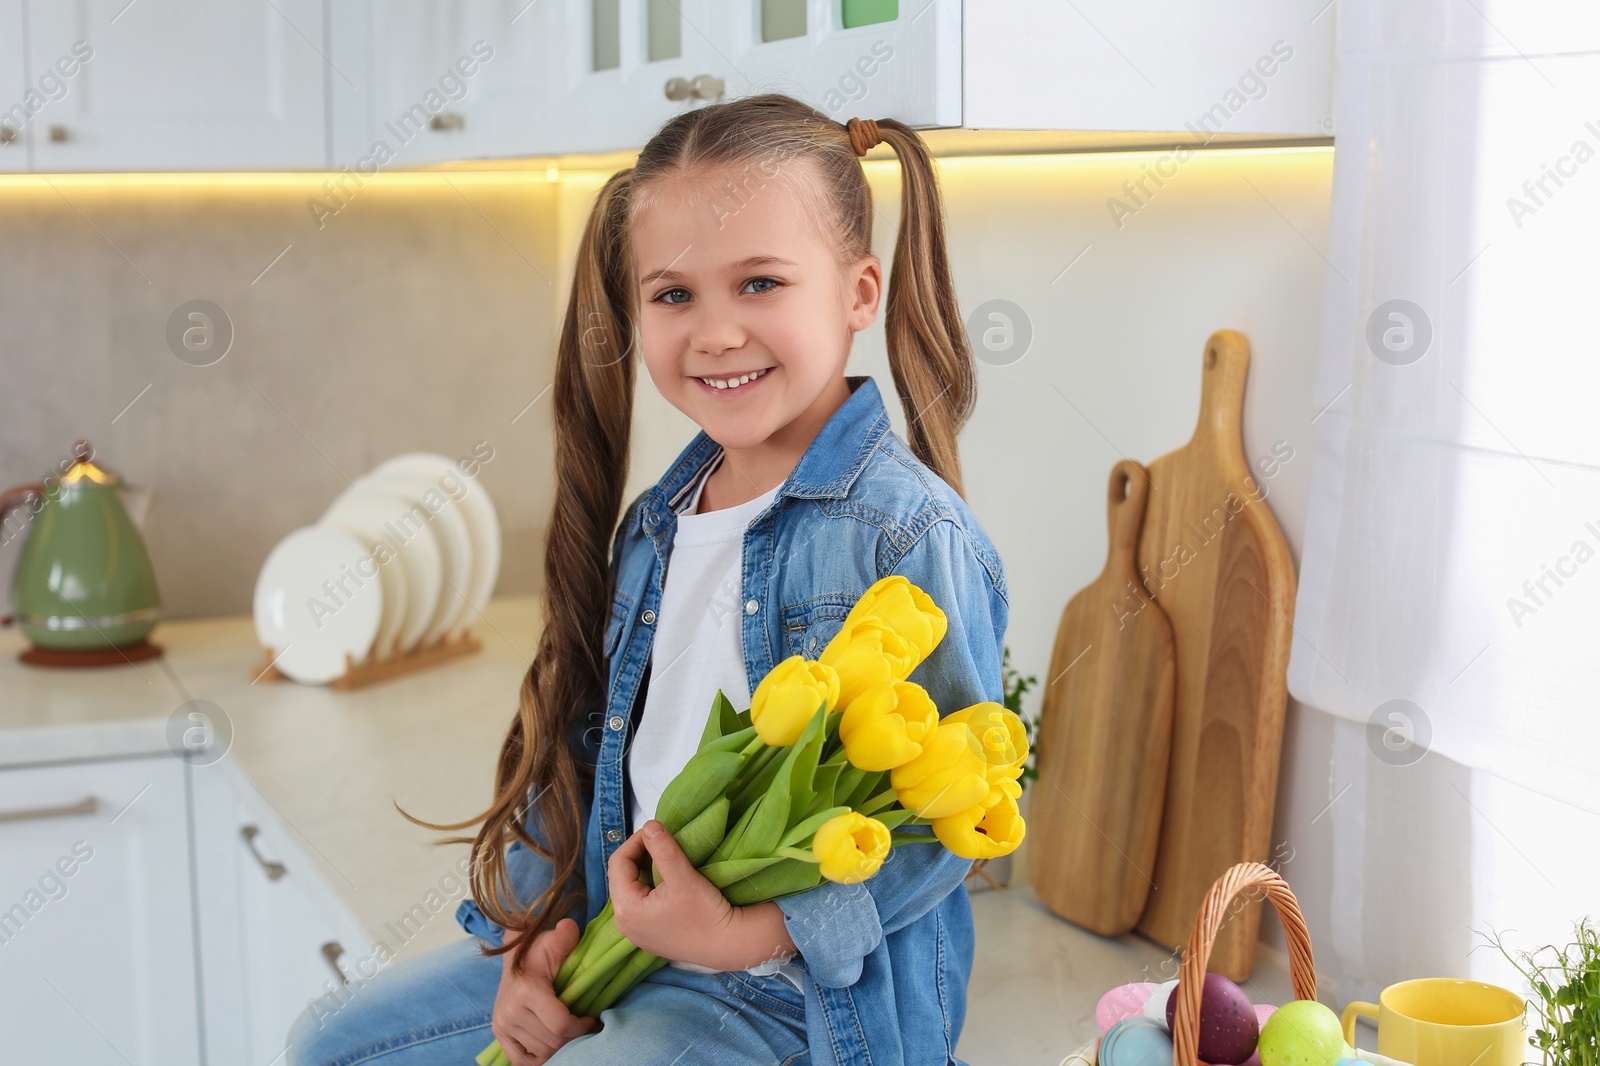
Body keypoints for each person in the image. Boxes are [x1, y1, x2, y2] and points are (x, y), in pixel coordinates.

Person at [287, 92, 1009, 1066]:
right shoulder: (660, 523)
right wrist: (533, 932)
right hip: (627, 949)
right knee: (331, 1043)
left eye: (759, 283)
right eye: (674, 295)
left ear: (857, 292)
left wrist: (742, 934)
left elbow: (941, 833)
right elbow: (592, 747)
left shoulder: (905, 534)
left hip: (793, 1002)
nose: (714, 333)